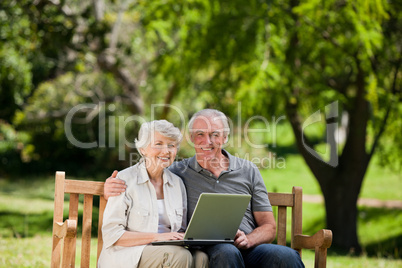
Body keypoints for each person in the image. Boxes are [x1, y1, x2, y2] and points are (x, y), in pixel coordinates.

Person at [104, 109, 304, 268]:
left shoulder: (248, 170)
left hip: (248, 247)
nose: (207, 141)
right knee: (226, 252)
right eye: (200, 135)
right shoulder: (178, 173)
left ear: (225, 137)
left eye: (214, 135)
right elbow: (149, 170)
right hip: (213, 249)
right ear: (192, 138)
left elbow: (269, 227)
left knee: (284, 255)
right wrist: (110, 187)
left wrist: (248, 239)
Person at [98, 120, 208, 268]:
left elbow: (180, 230)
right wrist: (158, 237)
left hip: (168, 250)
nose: (166, 151)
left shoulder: (177, 183)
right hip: (128, 255)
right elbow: (112, 234)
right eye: (159, 144)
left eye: (171, 145)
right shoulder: (124, 180)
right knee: (179, 256)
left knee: (201, 257)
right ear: (143, 149)